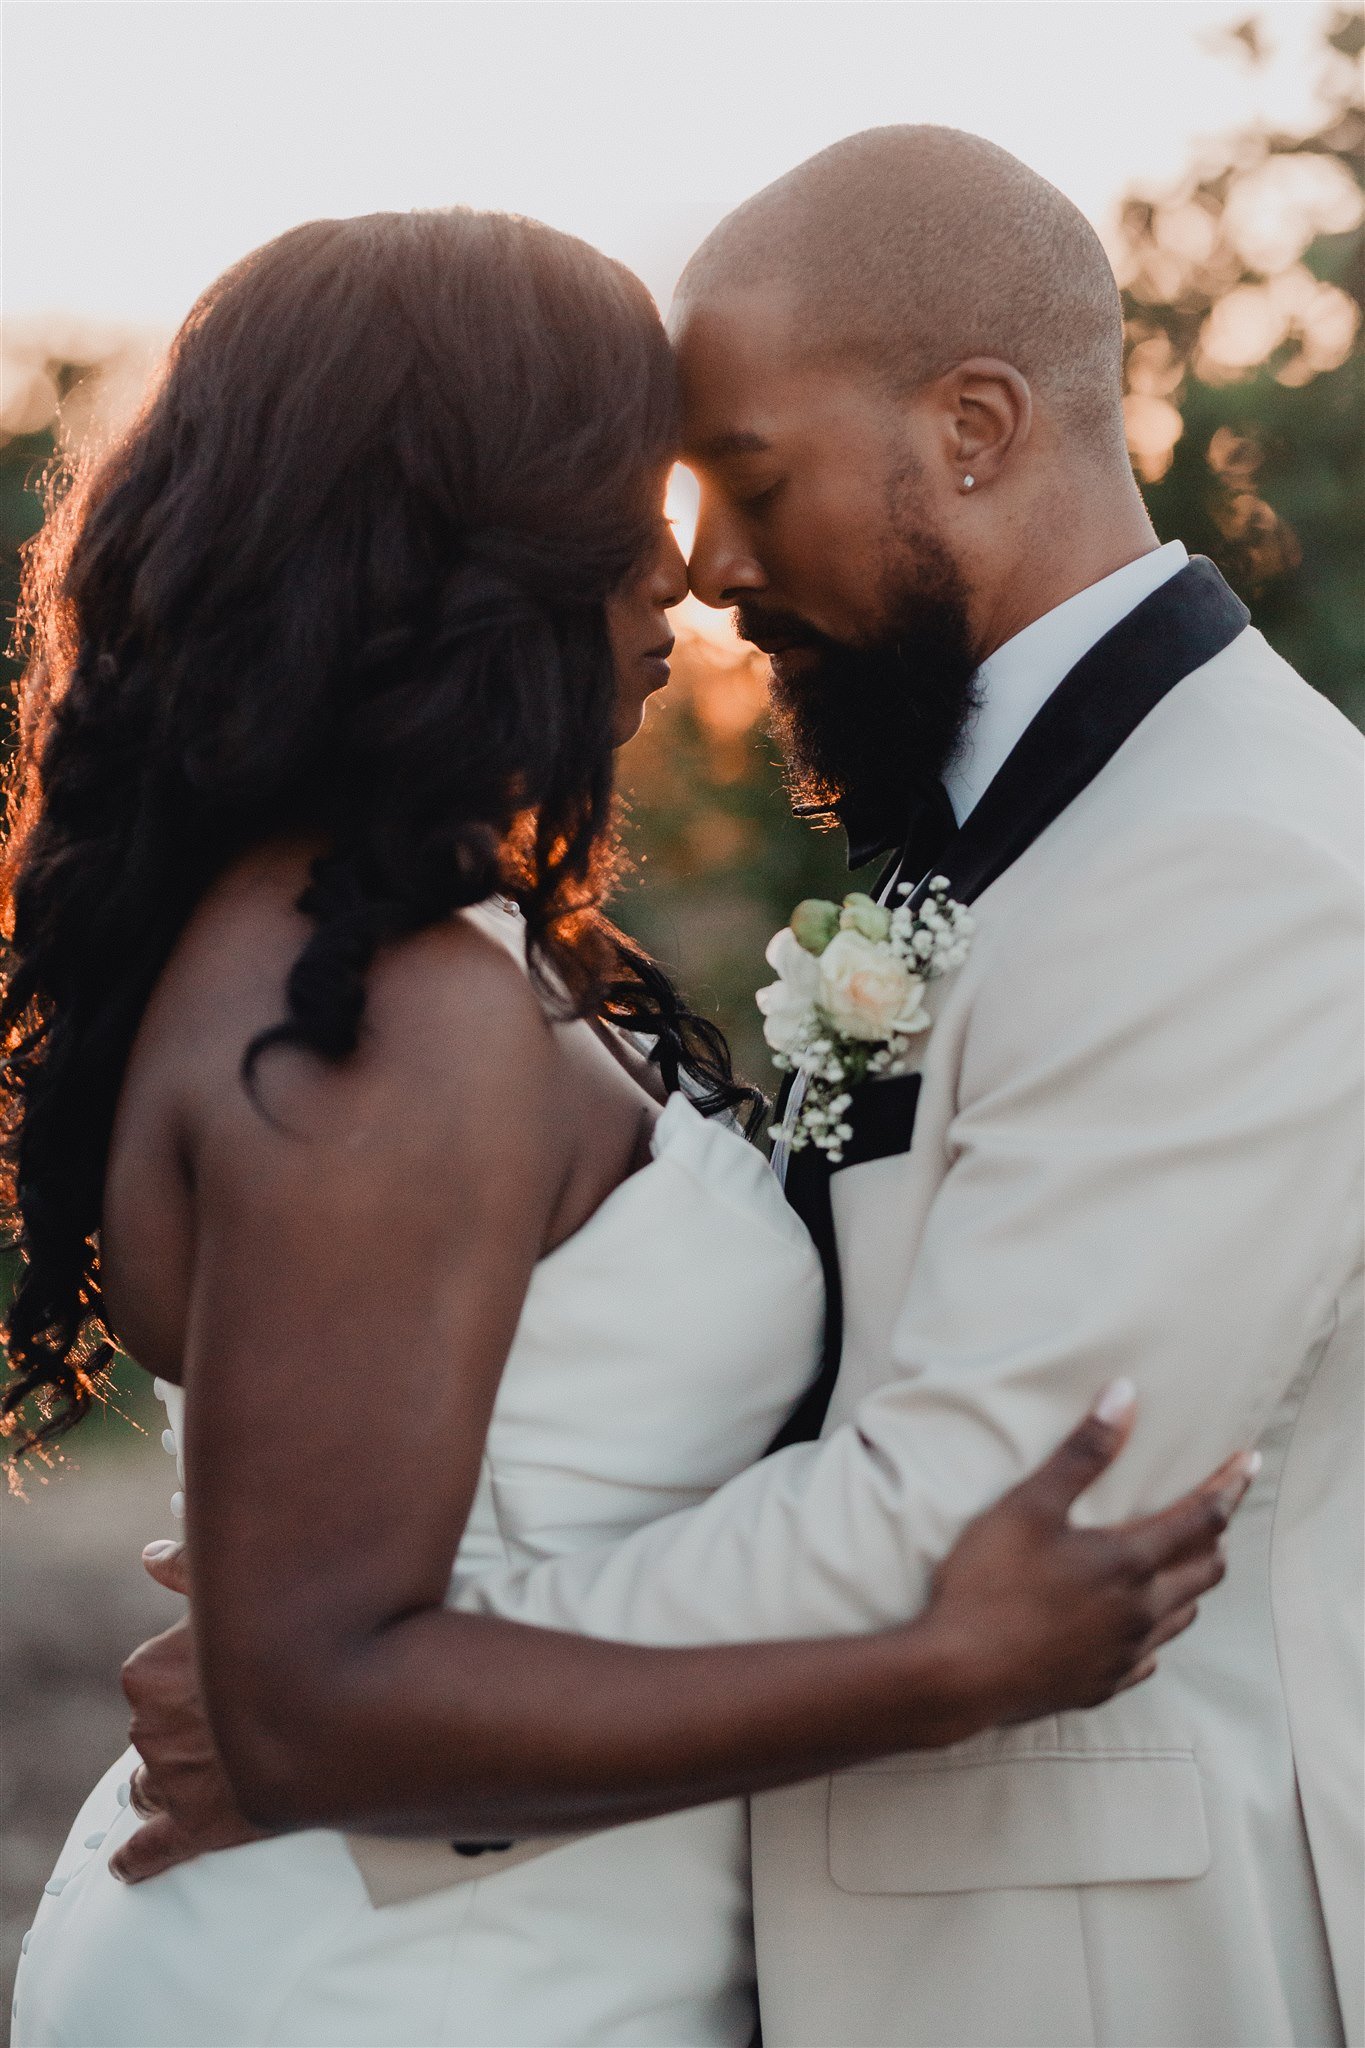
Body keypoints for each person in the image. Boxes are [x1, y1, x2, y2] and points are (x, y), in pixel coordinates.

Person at [115, 130, 1361, 2048]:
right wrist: (346, 1683)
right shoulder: (1026, 826)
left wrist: (360, 1696)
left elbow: (978, 1499)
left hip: (1081, 1964)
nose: (700, 565)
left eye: (748, 476)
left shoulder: (1232, 857)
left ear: (969, 427)